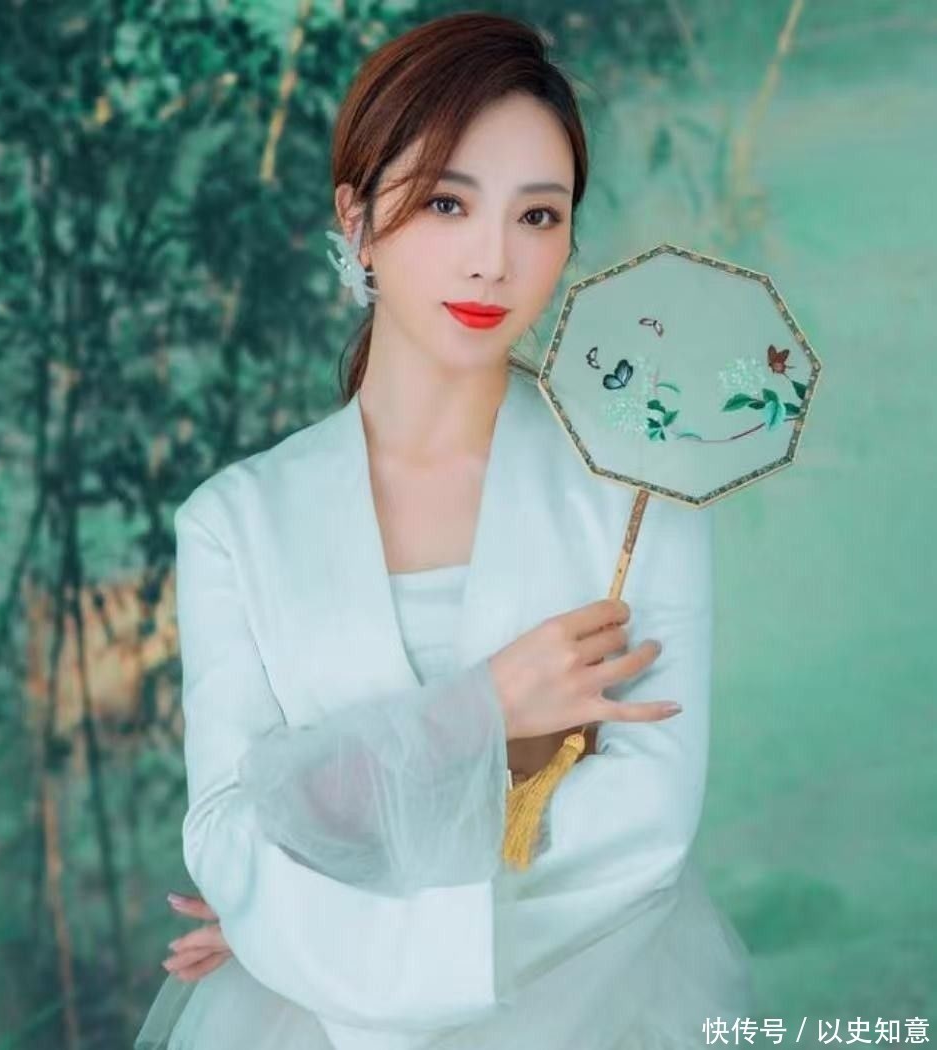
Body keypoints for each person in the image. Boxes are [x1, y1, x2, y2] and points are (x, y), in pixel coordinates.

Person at [134, 12, 756, 1049]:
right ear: (357, 218)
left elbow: (645, 825)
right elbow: (232, 833)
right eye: (446, 203)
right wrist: (485, 708)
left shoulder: (640, 492)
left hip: (600, 1004)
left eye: (538, 215)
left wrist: (342, 933)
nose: (492, 261)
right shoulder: (235, 523)